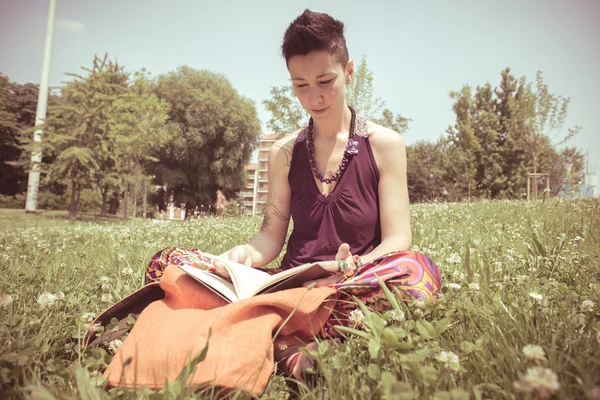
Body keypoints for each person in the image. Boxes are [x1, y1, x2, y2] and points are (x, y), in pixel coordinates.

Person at [145, 9, 441, 382]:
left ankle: (271, 337)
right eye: (300, 85)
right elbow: (270, 236)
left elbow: (399, 239)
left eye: (325, 81)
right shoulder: (284, 153)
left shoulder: (384, 144)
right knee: (169, 262)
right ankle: (295, 344)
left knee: (416, 271)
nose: (314, 96)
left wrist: (350, 270)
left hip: (350, 284)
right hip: (289, 284)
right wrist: (241, 257)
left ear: (349, 72)